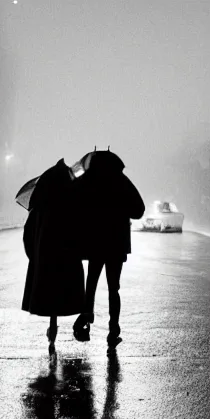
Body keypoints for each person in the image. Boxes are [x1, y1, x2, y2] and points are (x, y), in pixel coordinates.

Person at [72, 150, 145, 351]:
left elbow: (72, 204)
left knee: (92, 282)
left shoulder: (87, 181)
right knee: (114, 288)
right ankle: (114, 330)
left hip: (94, 242)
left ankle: (86, 319)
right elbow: (139, 210)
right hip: (116, 242)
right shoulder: (122, 181)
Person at [22, 158, 85, 347]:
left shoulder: (39, 205)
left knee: (49, 296)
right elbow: (80, 232)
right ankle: (54, 326)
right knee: (62, 294)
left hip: (45, 260)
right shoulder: (72, 203)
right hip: (67, 258)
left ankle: (52, 328)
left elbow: (28, 235)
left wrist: (34, 256)